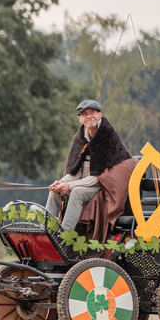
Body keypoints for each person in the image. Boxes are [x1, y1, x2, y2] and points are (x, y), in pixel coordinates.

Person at [45, 99, 135, 241]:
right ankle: (47, 231)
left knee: (77, 192)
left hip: (103, 186)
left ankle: (63, 237)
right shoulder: (80, 138)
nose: (89, 116)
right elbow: (75, 172)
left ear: (99, 115)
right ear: (80, 119)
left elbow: (100, 177)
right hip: (83, 181)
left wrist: (69, 186)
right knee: (54, 191)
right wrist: (60, 183)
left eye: (92, 112)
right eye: (84, 114)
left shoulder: (108, 136)